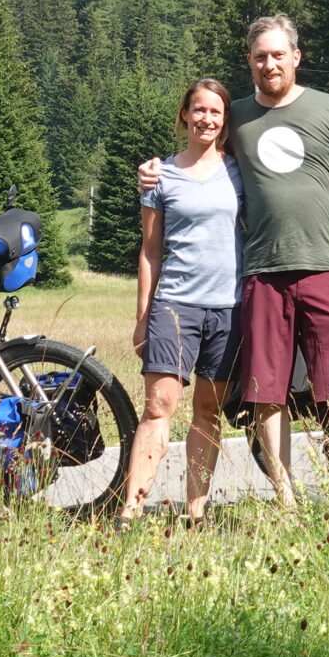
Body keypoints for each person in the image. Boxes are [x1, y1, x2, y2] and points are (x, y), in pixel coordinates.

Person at [144, 14, 329, 508]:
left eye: (277, 54)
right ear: (249, 63)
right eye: (259, 57)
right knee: (267, 393)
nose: (269, 64)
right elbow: (197, 150)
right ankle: (286, 500)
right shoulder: (239, 117)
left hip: (324, 267)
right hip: (260, 275)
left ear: (296, 56)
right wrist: (154, 171)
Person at [118, 78, 239, 523]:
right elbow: (150, 251)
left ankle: (196, 513)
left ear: (224, 121)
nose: (206, 119)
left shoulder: (238, 171)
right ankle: (131, 510)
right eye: (199, 110)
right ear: (184, 115)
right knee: (158, 407)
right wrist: (142, 317)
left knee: (207, 411)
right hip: (175, 303)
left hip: (228, 305)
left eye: (215, 112)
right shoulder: (160, 175)